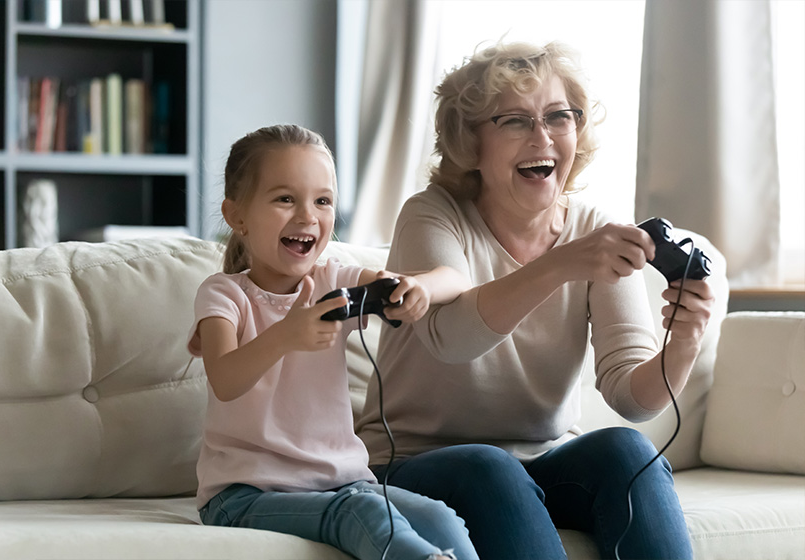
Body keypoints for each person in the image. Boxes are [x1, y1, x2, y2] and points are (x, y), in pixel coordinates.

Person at [355, 42, 715, 560]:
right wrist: (562, 264)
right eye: (515, 121)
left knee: (628, 452)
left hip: (542, 462)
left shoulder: (592, 227)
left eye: (558, 117)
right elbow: (451, 339)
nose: (542, 137)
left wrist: (683, 339)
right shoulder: (432, 215)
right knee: (487, 465)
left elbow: (633, 400)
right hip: (414, 463)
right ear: (471, 142)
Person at [187, 124, 478, 560]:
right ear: (237, 215)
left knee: (440, 517)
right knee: (358, 511)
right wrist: (287, 334)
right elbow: (225, 379)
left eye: (322, 201)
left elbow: (454, 278)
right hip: (244, 495)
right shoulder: (224, 294)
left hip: (343, 481)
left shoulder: (332, 277)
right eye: (285, 199)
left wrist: (418, 291)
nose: (308, 217)